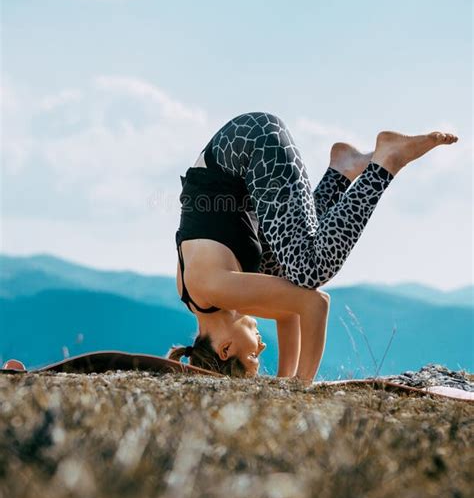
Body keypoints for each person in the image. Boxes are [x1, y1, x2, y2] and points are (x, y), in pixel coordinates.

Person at [167, 112, 457, 382]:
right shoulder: (203, 299)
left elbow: (314, 303)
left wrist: (301, 385)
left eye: (254, 354)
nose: (263, 344)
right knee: (287, 270)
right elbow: (287, 309)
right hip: (243, 167)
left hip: (250, 144)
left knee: (310, 270)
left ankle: (386, 161)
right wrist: (284, 380)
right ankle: (342, 170)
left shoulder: (215, 288)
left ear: (225, 349)